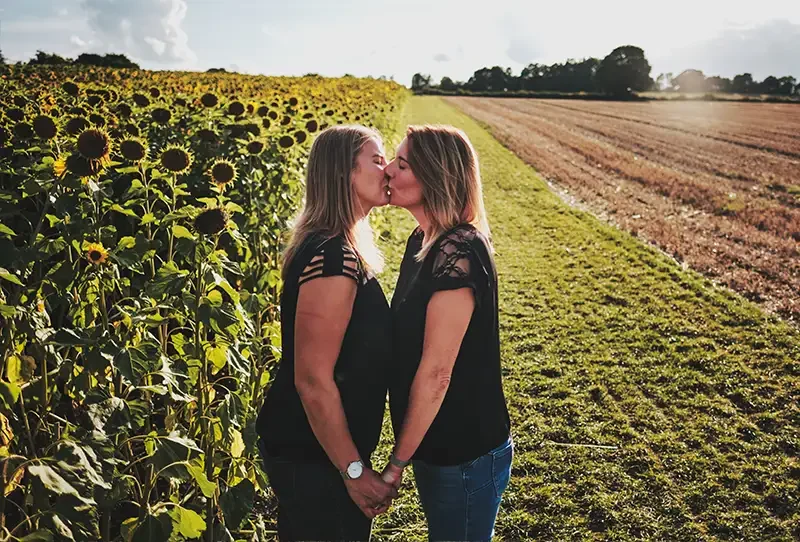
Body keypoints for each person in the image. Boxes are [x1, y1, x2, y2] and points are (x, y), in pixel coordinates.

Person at [256, 125, 397, 541]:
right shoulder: (333, 258)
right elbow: (313, 381)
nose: (387, 168)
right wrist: (354, 472)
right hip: (315, 457)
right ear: (343, 174)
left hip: (320, 452)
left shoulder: (338, 247)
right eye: (376, 159)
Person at [382, 124, 513, 542]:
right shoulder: (422, 240)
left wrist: (397, 462)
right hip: (435, 443)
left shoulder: (458, 252)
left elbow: (438, 372)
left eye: (401, 164)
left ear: (435, 177)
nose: (387, 170)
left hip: (464, 451)